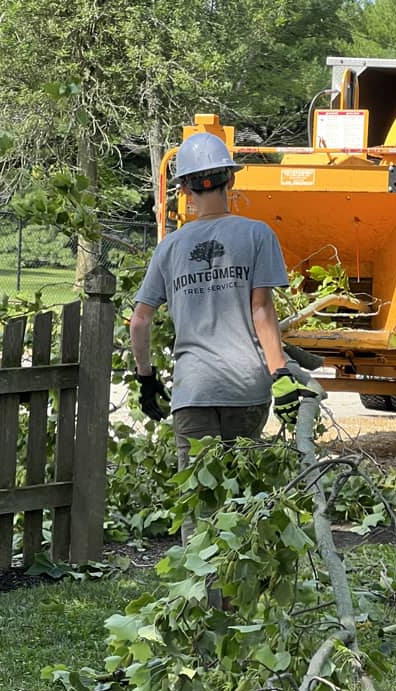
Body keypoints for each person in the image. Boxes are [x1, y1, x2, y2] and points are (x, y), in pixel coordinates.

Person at [129, 131, 315, 476]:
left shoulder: (169, 248)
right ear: (229, 178)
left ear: (184, 188)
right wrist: (281, 373)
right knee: (239, 498)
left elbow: (139, 321)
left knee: (197, 497)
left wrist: (146, 378)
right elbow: (261, 311)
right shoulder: (257, 235)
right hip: (246, 387)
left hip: (193, 391)